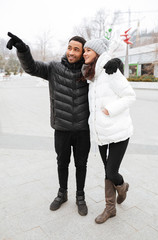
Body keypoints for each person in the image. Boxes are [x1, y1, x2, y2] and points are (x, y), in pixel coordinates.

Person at [6, 32, 91, 216]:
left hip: (83, 129)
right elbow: (32, 68)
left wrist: (115, 64)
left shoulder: (89, 71)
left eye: (76, 49)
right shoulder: (54, 68)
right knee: (62, 163)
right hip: (61, 128)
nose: (71, 52)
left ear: (83, 52)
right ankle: (62, 194)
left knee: (81, 164)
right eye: (69, 48)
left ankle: (80, 196)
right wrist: (23, 49)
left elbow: (108, 72)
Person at [82, 38, 136, 223]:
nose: (84, 53)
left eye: (88, 50)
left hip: (119, 131)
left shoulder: (110, 72)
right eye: (84, 50)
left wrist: (110, 109)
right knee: (107, 171)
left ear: (97, 53)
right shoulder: (92, 76)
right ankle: (110, 209)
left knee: (112, 172)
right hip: (101, 133)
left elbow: (130, 96)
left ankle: (122, 186)